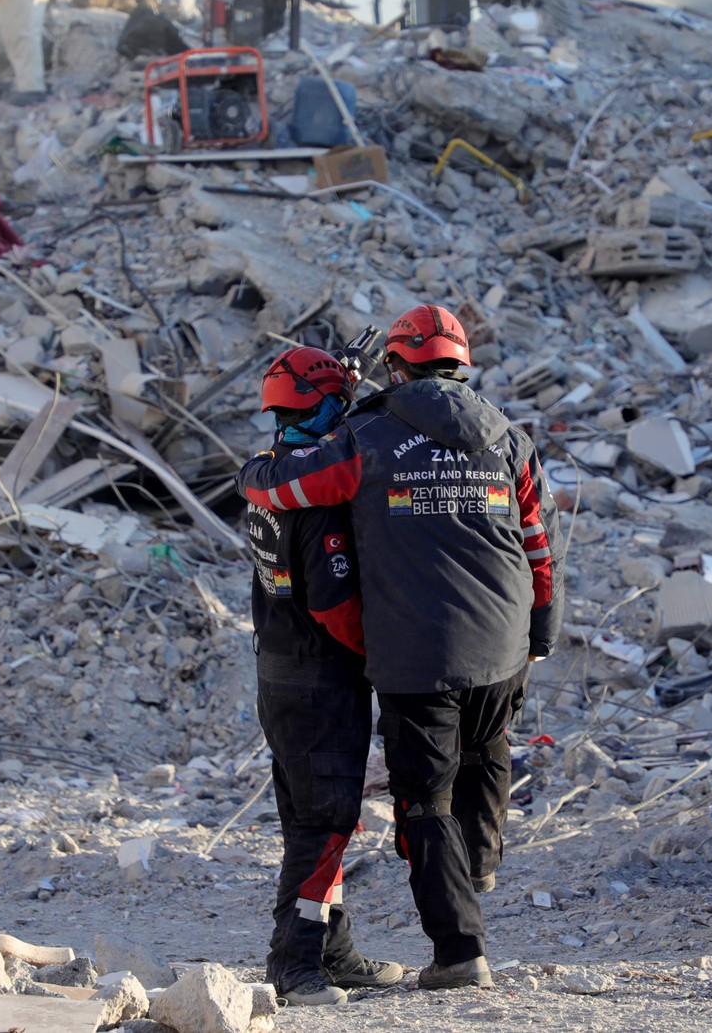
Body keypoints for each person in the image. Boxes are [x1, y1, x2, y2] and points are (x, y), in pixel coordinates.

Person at [237, 305, 564, 991]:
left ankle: (438, 945)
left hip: (360, 666)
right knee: (450, 768)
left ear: (395, 366)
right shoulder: (509, 438)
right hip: (499, 649)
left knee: (407, 804)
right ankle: (457, 878)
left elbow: (290, 505)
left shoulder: (348, 451)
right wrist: (541, 633)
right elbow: (540, 546)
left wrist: (255, 473)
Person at [247, 346, 404, 1006]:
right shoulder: (315, 500)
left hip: (280, 671)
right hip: (321, 677)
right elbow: (335, 604)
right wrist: (385, 657)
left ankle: (332, 949)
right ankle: (296, 962)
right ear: (326, 403)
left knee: (311, 816)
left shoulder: (272, 475)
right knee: (327, 820)